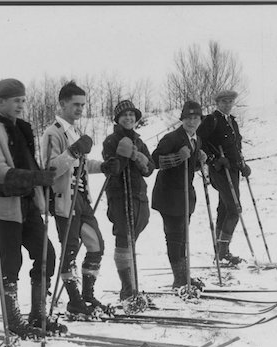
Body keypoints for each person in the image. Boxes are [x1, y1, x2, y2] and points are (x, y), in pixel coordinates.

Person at [0, 78, 58, 339]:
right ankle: (13, 320)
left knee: (47, 255)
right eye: (16, 100)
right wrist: (36, 178)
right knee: (11, 263)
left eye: (23, 100)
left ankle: (38, 314)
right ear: (0, 102)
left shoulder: (21, 128)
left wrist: (41, 178)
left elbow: (29, 163)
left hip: (29, 204)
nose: (21, 105)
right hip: (5, 207)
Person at [41, 81, 106, 317]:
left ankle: (87, 294)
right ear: (62, 103)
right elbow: (50, 168)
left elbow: (82, 166)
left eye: (82, 105)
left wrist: (103, 166)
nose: (79, 109)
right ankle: (74, 300)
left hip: (82, 198)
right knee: (69, 250)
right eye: (75, 104)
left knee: (96, 245)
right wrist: (74, 151)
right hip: (63, 200)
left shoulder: (75, 131)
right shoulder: (53, 132)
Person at [101, 100, 155, 306]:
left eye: (132, 115)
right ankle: (127, 290)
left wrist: (137, 155)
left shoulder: (140, 141)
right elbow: (111, 168)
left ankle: (131, 286)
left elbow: (150, 169)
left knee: (133, 236)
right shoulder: (110, 141)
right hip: (120, 195)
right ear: (117, 119)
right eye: (124, 115)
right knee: (124, 238)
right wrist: (122, 156)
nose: (129, 118)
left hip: (139, 194)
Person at [152, 101, 208, 290]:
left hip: (185, 194)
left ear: (200, 120)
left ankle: (185, 276)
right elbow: (155, 161)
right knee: (175, 237)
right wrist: (177, 156)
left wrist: (200, 160)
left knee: (183, 236)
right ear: (182, 119)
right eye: (188, 118)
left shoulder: (196, 140)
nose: (192, 122)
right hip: (168, 195)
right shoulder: (172, 138)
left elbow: (189, 168)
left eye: (195, 118)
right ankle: (179, 279)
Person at [197, 90, 251, 265]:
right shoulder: (212, 120)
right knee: (234, 209)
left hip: (232, 170)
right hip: (220, 171)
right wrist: (213, 159)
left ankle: (221, 252)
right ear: (218, 103)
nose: (227, 104)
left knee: (225, 208)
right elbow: (199, 142)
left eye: (230, 101)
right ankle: (221, 251)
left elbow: (236, 146)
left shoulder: (232, 122)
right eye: (224, 102)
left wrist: (242, 165)